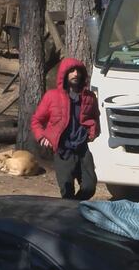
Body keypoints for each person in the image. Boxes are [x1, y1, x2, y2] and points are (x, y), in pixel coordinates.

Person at [31, 57, 100, 200]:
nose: (75, 74)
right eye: (71, 71)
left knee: (89, 187)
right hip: (63, 151)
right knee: (67, 190)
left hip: (82, 149)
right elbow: (37, 121)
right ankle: (71, 212)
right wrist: (42, 137)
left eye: (78, 71)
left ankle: (73, 207)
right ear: (64, 74)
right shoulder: (52, 96)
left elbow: (95, 117)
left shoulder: (89, 97)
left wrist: (93, 132)